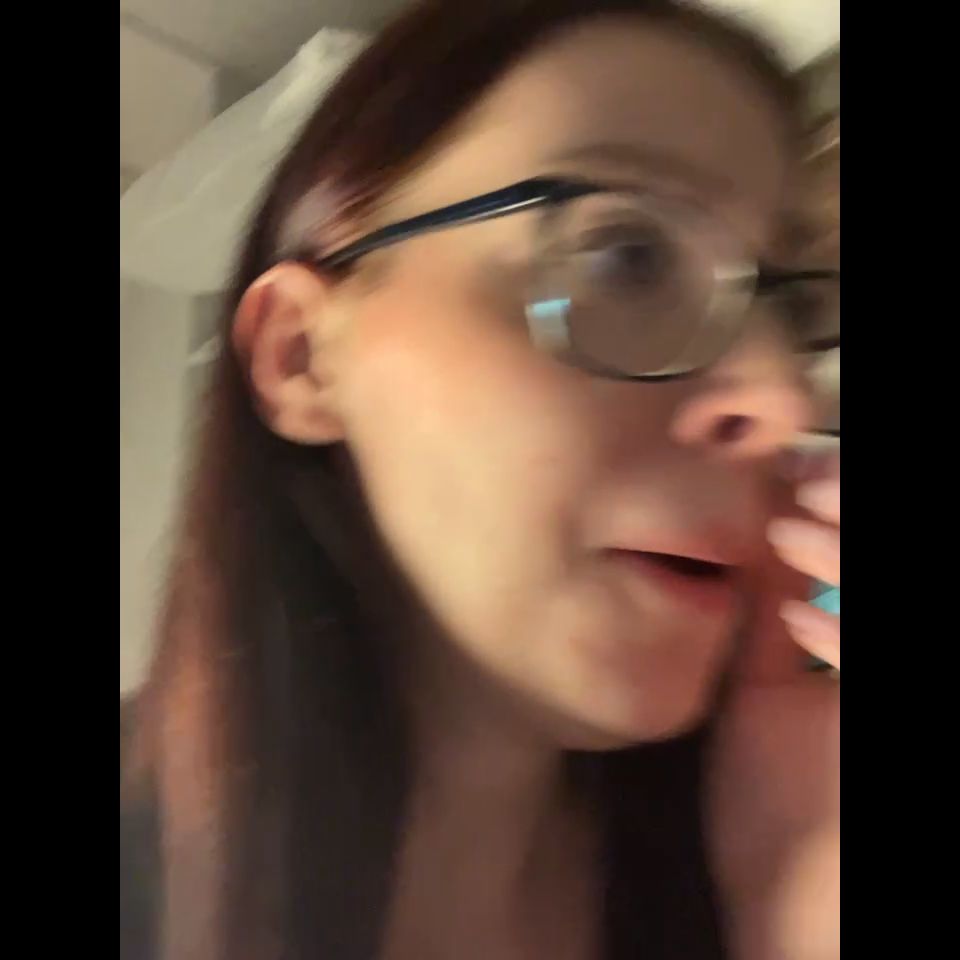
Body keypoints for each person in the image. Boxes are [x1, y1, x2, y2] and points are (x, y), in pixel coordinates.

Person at [119, 2, 841, 958]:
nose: (786, 396)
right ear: (301, 357)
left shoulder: (790, 836)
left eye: (797, 309)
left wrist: (791, 914)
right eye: (628, 258)